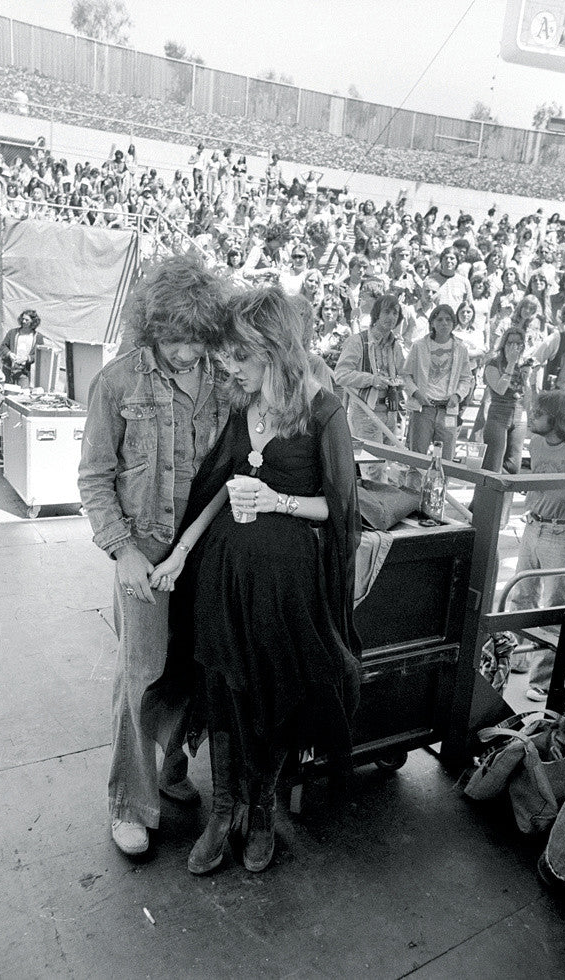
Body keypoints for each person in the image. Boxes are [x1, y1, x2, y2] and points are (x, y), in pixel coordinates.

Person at [149, 286, 362, 875]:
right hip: (225, 580)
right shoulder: (245, 409)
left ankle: (261, 811)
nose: (227, 366)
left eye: (239, 357)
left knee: (269, 697)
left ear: (271, 350)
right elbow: (220, 484)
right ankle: (222, 811)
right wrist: (183, 550)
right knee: (221, 689)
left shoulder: (325, 410)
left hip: (285, 591)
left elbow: (341, 510)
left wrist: (277, 501)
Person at [77, 256, 231, 857]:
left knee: (191, 670)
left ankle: (169, 770)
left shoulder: (224, 381)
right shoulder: (117, 382)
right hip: (143, 550)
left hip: (206, 551)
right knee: (140, 674)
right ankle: (130, 804)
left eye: (196, 338)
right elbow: (94, 477)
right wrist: (122, 551)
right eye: (173, 338)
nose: (186, 352)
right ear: (151, 326)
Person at [508, 390, 565, 702]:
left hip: (563, 532)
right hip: (533, 524)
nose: (532, 419)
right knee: (521, 595)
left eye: (538, 414)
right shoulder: (534, 442)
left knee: (556, 606)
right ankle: (518, 656)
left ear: (557, 419)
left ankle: (545, 680)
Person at [334, 294, 405, 480]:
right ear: (376, 314)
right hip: (365, 412)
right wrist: (372, 379)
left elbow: (404, 374)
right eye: (387, 312)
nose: (391, 317)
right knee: (373, 469)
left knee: (386, 466)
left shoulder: (396, 345)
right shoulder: (358, 341)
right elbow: (340, 375)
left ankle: (381, 505)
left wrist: (398, 382)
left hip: (391, 410)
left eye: (395, 313)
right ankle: (375, 507)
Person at [402, 304, 471, 462]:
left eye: (448, 319)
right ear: (432, 322)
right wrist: (416, 393)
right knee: (417, 457)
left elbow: (466, 378)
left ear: (454, 323)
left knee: (446, 459)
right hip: (424, 408)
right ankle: (414, 487)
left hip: (448, 410)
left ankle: (442, 487)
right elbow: (406, 375)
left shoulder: (460, 348)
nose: (444, 323)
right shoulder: (419, 346)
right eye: (439, 319)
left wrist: (458, 395)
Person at [481, 327, 532, 474]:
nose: (514, 347)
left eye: (519, 343)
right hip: (499, 413)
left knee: (513, 466)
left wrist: (527, 378)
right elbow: (500, 389)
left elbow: (527, 393)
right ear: (504, 344)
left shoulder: (524, 364)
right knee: (493, 463)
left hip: (519, 414)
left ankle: (506, 498)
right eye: (510, 343)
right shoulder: (493, 363)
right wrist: (510, 364)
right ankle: (486, 497)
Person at [0, 309, 46, 387]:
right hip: (8, 369)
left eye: (27, 320)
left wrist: (27, 358)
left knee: (23, 394)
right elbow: (3, 346)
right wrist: (10, 354)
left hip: (24, 372)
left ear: (33, 321)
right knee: (7, 392)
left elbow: (39, 355)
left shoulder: (38, 337)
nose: (24, 321)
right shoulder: (12, 333)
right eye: (22, 319)